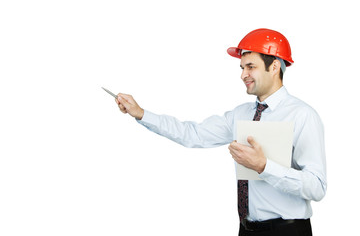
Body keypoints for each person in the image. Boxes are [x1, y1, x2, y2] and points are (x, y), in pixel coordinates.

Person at [114, 28, 327, 236]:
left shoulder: (302, 115)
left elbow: (317, 187)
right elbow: (192, 134)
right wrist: (141, 113)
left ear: (274, 66)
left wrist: (263, 166)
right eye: (242, 68)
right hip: (246, 229)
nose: (243, 74)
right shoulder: (240, 114)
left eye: (250, 66)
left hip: (288, 231)